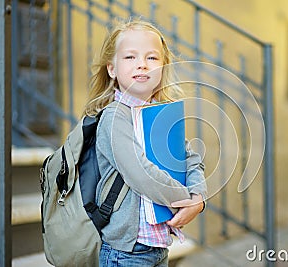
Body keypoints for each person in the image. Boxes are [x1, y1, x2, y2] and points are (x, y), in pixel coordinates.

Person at [82, 19, 207, 267]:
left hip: (158, 246)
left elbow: (190, 159)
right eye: (130, 57)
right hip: (126, 251)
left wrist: (199, 197)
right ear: (112, 69)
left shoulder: (162, 116)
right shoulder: (114, 116)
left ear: (162, 67)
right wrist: (185, 199)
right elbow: (140, 173)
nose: (142, 64)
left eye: (152, 58)